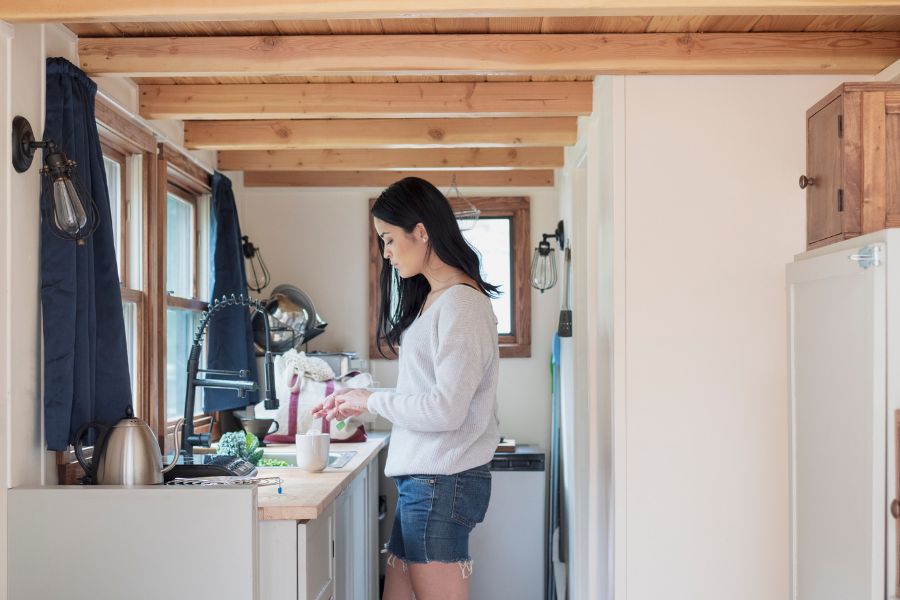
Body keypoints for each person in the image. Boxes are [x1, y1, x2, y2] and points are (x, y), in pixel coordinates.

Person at [311, 177, 501, 600]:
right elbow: (428, 391)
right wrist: (360, 399)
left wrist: (371, 400)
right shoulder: (437, 299)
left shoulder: (461, 304)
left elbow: (446, 410)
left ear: (421, 231)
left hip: (441, 482)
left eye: (389, 239)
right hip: (424, 480)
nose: (386, 252)